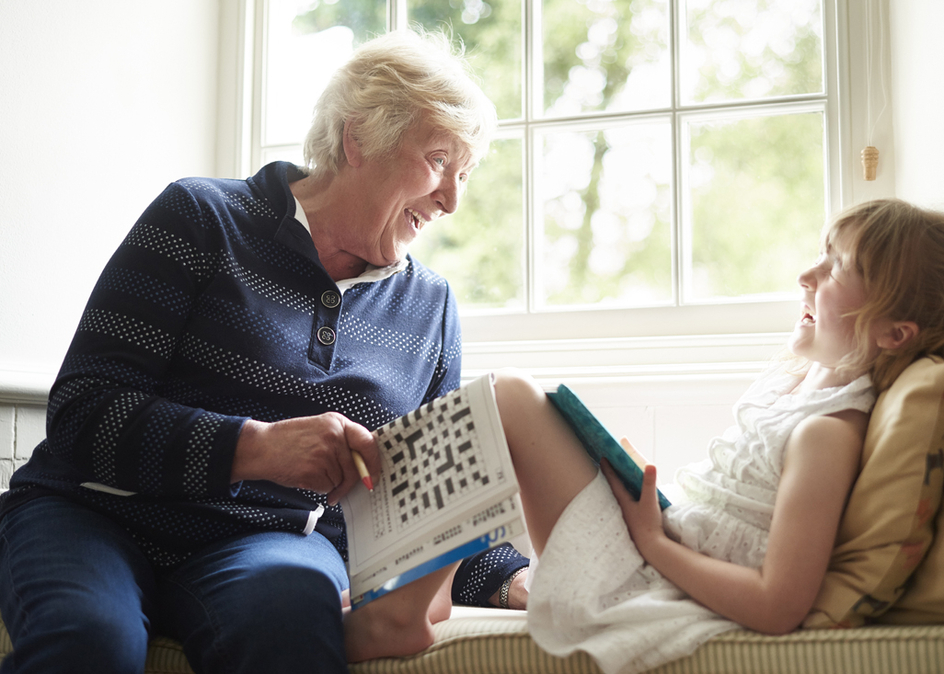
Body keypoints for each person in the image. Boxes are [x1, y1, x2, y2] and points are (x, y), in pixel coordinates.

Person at [0, 28, 529, 674]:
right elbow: (84, 412)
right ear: (358, 138)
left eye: (465, 176)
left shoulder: (430, 309)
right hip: (94, 514)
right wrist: (257, 448)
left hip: (271, 543)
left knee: (288, 621)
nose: (452, 200)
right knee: (91, 641)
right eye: (441, 162)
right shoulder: (200, 217)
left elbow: (423, 502)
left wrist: (508, 577)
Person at [344, 198, 944, 672]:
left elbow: (778, 604)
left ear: (894, 333)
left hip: (643, 579)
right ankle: (424, 592)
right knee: (513, 400)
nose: (806, 274)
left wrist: (654, 540)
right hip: (650, 550)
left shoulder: (828, 432)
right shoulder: (798, 379)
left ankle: (399, 613)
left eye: (836, 267)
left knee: (509, 398)